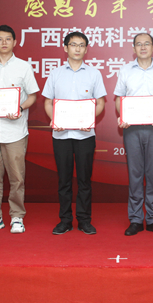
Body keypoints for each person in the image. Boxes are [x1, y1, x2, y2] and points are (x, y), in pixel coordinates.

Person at [0, 25, 39, 234]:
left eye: (8, 39)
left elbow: (32, 96)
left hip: (15, 131)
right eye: (0, 39)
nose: (4, 42)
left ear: (15, 42)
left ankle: (17, 216)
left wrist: (19, 108)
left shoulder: (23, 67)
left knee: (16, 177)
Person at [43, 31, 106, 235]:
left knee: (84, 180)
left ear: (86, 49)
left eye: (81, 45)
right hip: (61, 135)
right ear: (65, 48)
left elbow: (101, 102)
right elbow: (48, 102)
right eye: (73, 44)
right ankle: (65, 220)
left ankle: (84, 220)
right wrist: (54, 119)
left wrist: (90, 118)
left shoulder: (94, 73)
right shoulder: (55, 73)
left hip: (85, 135)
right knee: (64, 180)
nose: (77, 48)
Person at [114, 33, 153, 236]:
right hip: (132, 129)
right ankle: (135, 219)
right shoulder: (125, 70)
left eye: (146, 44)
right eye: (138, 44)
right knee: (135, 174)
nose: (142, 47)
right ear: (133, 48)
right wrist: (122, 115)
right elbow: (119, 98)